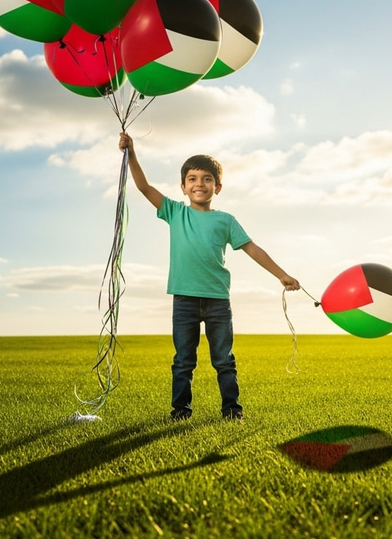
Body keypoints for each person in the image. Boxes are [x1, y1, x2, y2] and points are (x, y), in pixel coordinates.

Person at [118, 132, 300, 422]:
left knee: (224, 360)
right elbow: (143, 187)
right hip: (184, 300)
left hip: (217, 301)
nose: (199, 184)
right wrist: (132, 153)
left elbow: (252, 249)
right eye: (192, 179)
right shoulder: (175, 212)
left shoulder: (225, 220)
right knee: (183, 361)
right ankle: (181, 411)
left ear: (218, 186)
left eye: (206, 179)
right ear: (183, 187)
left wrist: (282, 275)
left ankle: (232, 410)